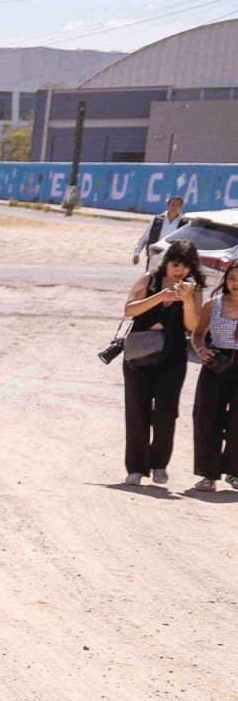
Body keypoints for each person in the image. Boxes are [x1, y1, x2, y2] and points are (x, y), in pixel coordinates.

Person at [123, 240, 203, 485]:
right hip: (140, 356)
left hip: (173, 358)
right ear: (167, 262)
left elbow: (192, 326)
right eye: (176, 264)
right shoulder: (149, 279)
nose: (179, 270)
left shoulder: (194, 289)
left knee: (166, 414)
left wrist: (187, 300)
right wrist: (160, 297)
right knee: (137, 411)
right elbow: (130, 310)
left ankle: (159, 465)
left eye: (186, 266)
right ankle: (136, 468)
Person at [192, 257, 238, 491]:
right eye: (231, 278)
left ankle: (234, 472)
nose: (235, 283)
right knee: (206, 419)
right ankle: (208, 475)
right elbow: (198, 333)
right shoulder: (213, 304)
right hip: (216, 364)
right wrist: (201, 350)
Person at [135, 194, 187, 269]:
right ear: (168, 205)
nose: (174, 207)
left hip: (173, 258)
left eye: (177, 205)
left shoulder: (184, 223)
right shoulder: (157, 220)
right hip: (155, 255)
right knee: (151, 277)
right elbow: (145, 237)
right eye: (172, 204)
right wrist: (137, 253)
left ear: (181, 207)